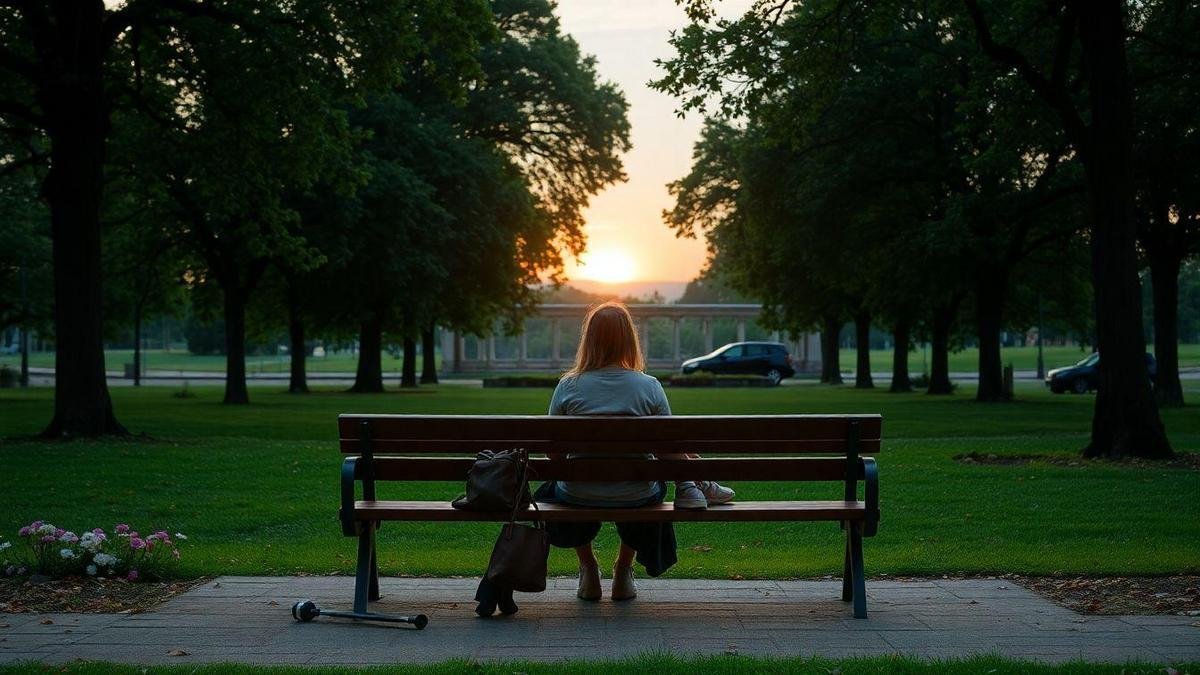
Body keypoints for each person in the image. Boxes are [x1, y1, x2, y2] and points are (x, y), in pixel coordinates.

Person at [538, 300, 735, 602]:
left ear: (588, 339)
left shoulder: (568, 387)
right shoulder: (649, 386)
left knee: (554, 487)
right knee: (649, 480)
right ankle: (623, 572)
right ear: (630, 339)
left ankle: (588, 569)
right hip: (636, 494)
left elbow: (554, 456)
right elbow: (669, 448)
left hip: (578, 493)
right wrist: (687, 468)